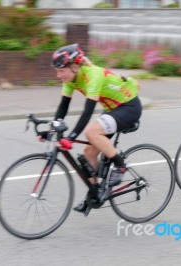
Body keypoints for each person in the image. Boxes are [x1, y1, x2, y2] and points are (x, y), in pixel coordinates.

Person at [42, 43, 142, 212]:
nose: (58, 75)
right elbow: (63, 107)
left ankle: (121, 164)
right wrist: (52, 130)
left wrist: (71, 137)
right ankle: (95, 194)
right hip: (112, 108)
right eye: (57, 71)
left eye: (61, 70)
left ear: (74, 67)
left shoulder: (93, 74)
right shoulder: (71, 79)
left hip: (128, 106)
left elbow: (87, 112)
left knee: (91, 132)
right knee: (89, 152)